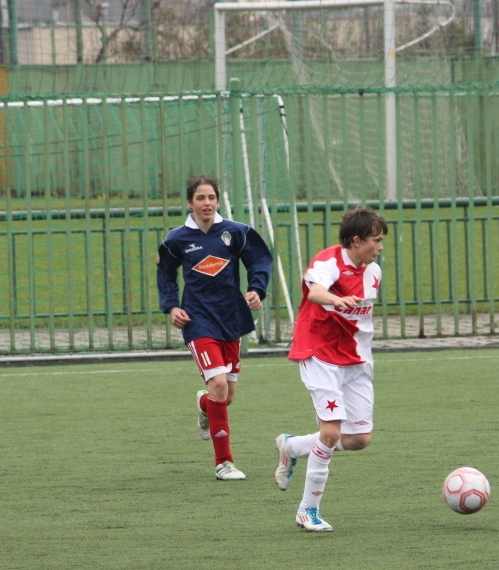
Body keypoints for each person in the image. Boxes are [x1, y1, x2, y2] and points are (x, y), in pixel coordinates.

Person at [272, 207, 388, 532]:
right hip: (319, 353)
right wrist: (336, 301)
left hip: (356, 359)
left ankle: (292, 447)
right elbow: (315, 291)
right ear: (356, 240)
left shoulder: (373, 272)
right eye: (375, 241)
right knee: (331, 432)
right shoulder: (328, 262)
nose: (379, 247)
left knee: (358, 439)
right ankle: (307, 511)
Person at [156, 175, 273, 481]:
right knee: (219, 385)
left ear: (217, 200)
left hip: (230, 319)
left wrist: (256, 290)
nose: (206, 203)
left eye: (211, 197)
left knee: (225, 395)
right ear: (189, 203)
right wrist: (172, 307)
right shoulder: (176, 239)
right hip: (197, 320)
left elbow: (259, 260)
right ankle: (224, 462)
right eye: (200, 198)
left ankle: (203, 404)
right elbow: (166, 275)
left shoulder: (236, 232)